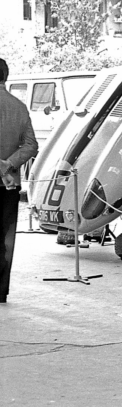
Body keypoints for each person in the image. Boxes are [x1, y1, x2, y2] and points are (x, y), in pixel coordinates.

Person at [0, 58, 39, 304]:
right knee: (6, 239)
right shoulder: (19, 107)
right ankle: (0, 291)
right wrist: (8, 163)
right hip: (8, 183)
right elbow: (31, 145)